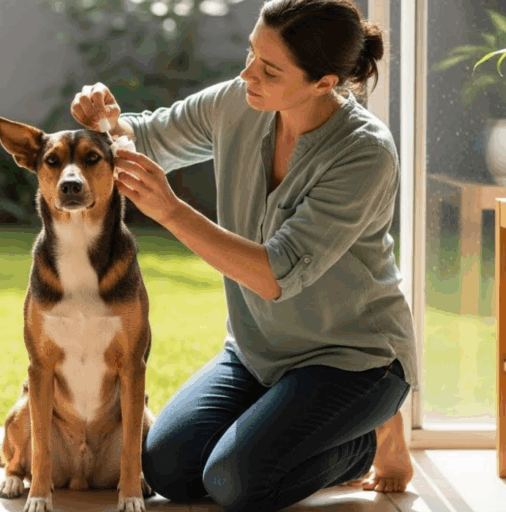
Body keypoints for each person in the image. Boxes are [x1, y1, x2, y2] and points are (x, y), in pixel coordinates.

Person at [70, 0, 417, 510]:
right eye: (251, 52)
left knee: (239, 483)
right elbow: (147, 136)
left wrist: (171, 211)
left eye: (269, 69)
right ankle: (283, 418)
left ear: (324, 82)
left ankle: (369, 439)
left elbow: (276, 273)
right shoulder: (239, 102)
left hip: (354, 360)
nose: (246, 73)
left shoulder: (365, 152)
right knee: (167, 467)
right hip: (258, 353)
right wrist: (109, 121)